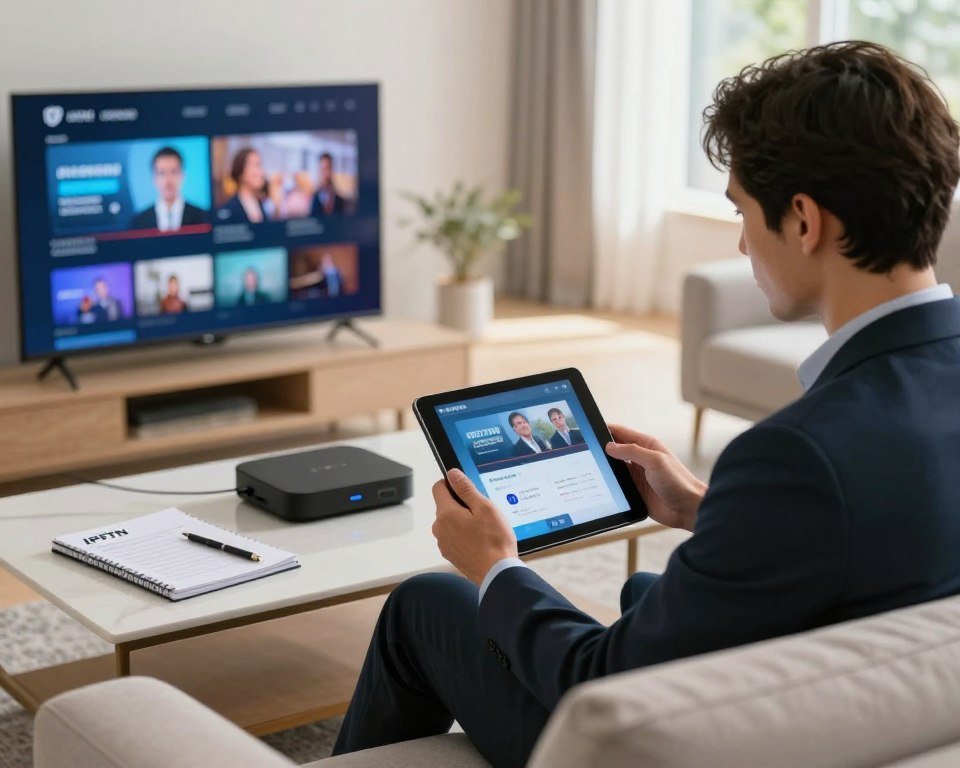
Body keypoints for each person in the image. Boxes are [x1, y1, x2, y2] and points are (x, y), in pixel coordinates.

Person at [331, 42, 960, 768]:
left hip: (709, 748)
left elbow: (602, 683)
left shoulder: (797, 454)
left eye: (742, 210)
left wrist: (497, 565)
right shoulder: (865, 426)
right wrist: (706, 507)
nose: (740, 240)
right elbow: (885, 532)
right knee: (643, 587)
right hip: (875, 713)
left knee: (431, 602)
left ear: (804, 221)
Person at [131, 146, 208, 231]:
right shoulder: (138, 222)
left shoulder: (203, 217)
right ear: (154, 178)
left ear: (182, 176)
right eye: (162, 173)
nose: (168, 180)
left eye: (173, 172)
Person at [220, 148, 270, 224]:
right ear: (241, 171)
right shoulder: (230, 210)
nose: (261, 172)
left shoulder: (262, 205)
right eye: (256, 165)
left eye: (260, 165)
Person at [309, 152, 348, 217]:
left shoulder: (339, 199)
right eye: (322, 169)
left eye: (327, 168)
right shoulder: (313, 197)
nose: (325, 173)